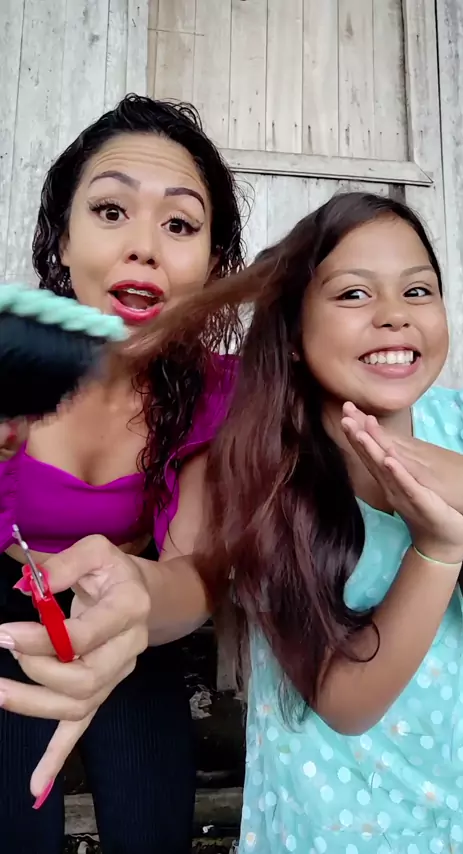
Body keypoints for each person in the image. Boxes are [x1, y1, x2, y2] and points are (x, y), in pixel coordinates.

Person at [3, 192, 463, 852]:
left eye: (419, 290)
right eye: (353, 294)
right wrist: (438, 546)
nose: (395, 314)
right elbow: (344, 700)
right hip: (334, 826)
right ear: (292, 334)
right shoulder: (271, 474)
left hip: (461, 794)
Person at [0, 93, 243, 854]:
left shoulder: (218, 392)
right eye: (111, 211)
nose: (144, 247)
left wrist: (136, 602)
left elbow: (194, 570)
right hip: (5, 603)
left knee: (151, 828)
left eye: (180, 224)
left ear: (211, 267)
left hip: (135, 610)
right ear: (63, 239)